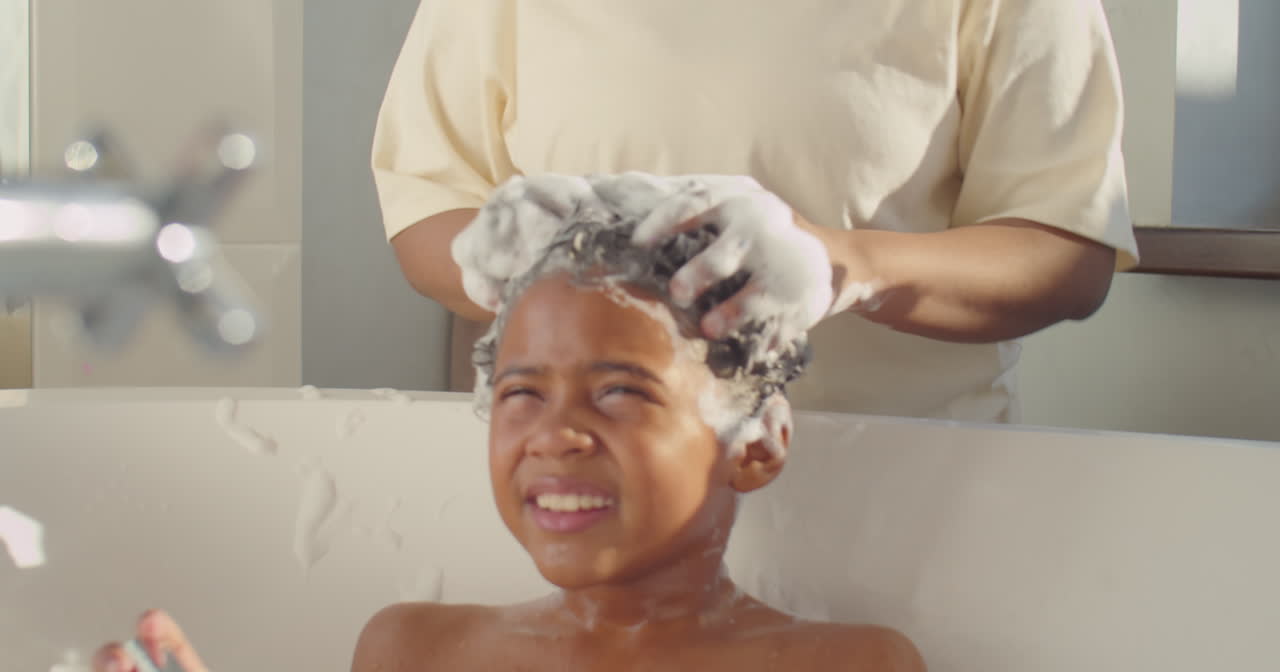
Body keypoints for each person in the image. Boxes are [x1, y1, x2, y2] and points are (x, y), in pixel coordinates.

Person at [83, 220, 930, 672]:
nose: (553, 436)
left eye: (618, 393)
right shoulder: (409, 651)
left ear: (757, 442)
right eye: (521, 391)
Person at [371, 0, 1140, 423]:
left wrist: (841, 269)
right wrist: (558, 258)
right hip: (590, 485)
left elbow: (1065, 252)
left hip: (910, 493)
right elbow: (430, 203)